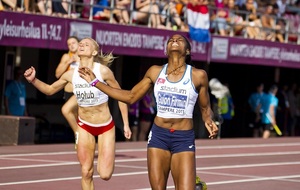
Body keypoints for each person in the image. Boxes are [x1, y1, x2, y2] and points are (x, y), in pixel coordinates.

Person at [78, 34, 218, 189]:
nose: (174, 41)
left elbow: (205, 107)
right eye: (170, 40)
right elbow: (130, 97)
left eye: (180, 40)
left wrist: (208, 120)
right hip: (159, 137)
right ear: (166, 51)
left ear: (187, 51)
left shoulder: (198, 75)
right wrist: (95, 82)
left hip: (183, 138)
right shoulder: (155, 72)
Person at [24, 37, 132, 190]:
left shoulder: (103, 71)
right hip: (84, 126)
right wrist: (33, 80)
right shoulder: (71, 75)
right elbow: (49, 90)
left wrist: (126, 124)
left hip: (105, 126)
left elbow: (121, 96)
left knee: (105, 174)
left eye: (86, 44)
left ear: (94, 52)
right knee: (86, 171)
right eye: (80, 44)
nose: (81, 45)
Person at [55, 36, 80, 136]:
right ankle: (78, 137)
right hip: (69, 91)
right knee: (73, 116)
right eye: (69, 44)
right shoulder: (66, 56)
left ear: (79, 44)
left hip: (80, 91)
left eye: (73, 43)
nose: (71, 46)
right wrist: (68, 62)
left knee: (79, 116)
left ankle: (80, 136)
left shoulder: (84, 57)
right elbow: (57, 74)